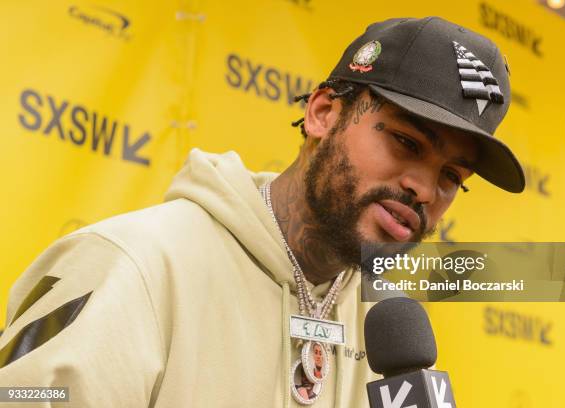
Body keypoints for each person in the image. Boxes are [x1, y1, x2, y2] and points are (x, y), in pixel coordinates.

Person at [0, 16, 524, 407]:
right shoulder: (132, 266)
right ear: (322, 113)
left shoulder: (384, 326)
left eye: (453, 177)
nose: (424, 189)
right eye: (407, 142)